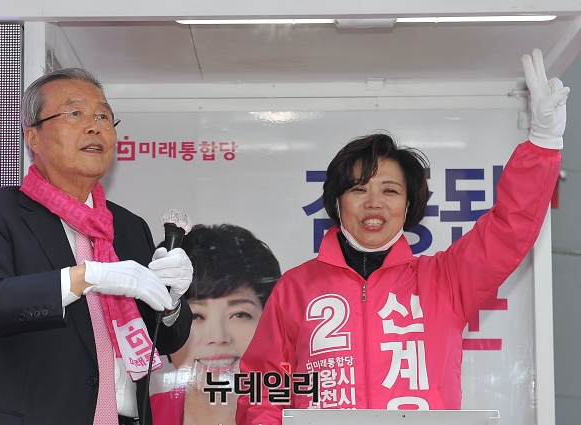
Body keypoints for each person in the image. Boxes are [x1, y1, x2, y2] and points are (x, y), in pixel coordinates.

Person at [236, 48, 569, 425]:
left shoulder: (445, 280)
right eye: (358, 190)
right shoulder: (295, 288)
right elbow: (261, 388)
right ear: (336, 202)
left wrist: (542, 144)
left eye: (390, 191)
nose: (374, 203)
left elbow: (509, 227)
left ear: (408, 206)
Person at [0, 68, 193, 425]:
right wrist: (86, 277)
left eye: (103, 117)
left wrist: (169, 301)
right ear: (33, 137)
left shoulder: (128, 227)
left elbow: (166, 340)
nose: (94, 127)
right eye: (75, 113)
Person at [149, 224, 281, 425]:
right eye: (196, 316)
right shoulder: (139, 415)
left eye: (239, 314)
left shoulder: (299, 416)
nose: (218, 337)